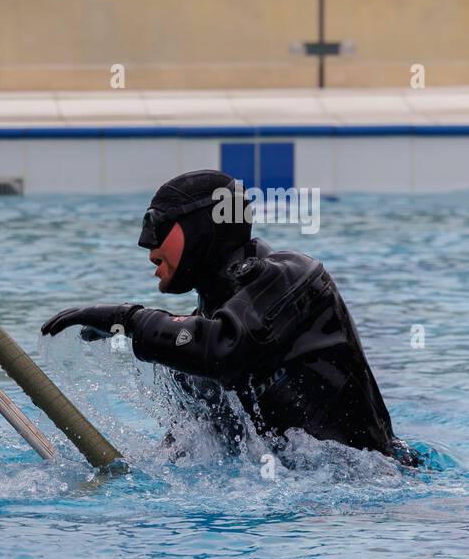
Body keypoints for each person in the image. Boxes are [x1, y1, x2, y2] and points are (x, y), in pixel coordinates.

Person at [40, 169, 418, 463]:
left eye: (156, 225)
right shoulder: (205, 338)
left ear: (200, 228)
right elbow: (189, 450)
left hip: (373, 490)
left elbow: (223, 346)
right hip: (306, 503)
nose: (148, 245)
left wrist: (125, 319)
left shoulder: (295, 278)